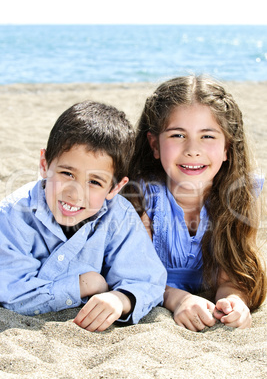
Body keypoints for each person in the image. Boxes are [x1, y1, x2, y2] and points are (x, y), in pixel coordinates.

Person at [0, 100, 167, 332]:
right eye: (67, 173)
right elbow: (10, 292)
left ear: (114, 189)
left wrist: (121, 299)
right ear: (44, 164)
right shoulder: (13, 215)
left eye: (94, 182)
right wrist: (81, 285)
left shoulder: (119, 216)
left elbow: (149, 280)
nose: (75, 193)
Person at [123, 75, 266, 331]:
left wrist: (233, 300)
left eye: (208, 136)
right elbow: (133, 275)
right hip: (158, 292)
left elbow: (232, 272)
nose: (192, 149)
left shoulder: (236, 195)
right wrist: (178, 299)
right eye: (178, 135)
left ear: (227, 148)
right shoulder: (141, 196)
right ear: (154, 144)